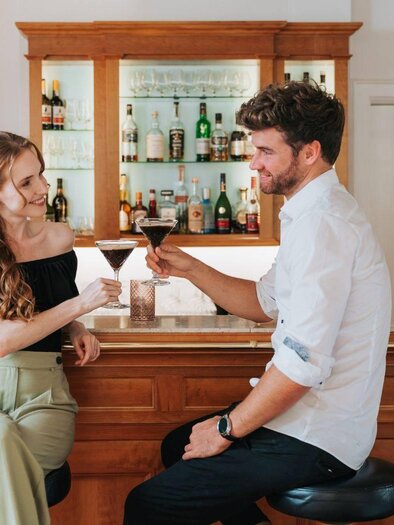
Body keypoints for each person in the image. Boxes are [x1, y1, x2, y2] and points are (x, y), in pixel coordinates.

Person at [123, 80, 392, 525]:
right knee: (178, 445)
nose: (253, 163)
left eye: (266, 151)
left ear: (309, 152)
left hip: (318, 436)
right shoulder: (310, 213)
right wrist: (192, 267)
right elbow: (265, 301)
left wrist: (227, 429)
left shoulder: (323, 226)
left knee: (150, 503)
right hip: (307, 422)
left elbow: (302, 365)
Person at [0, 132, 121, 525]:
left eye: (41, 176)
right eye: (26, 182)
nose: (43, 189)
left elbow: (55, 302)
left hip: (43, 396)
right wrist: (80, 304)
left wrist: (75, 326)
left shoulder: (59, 237)